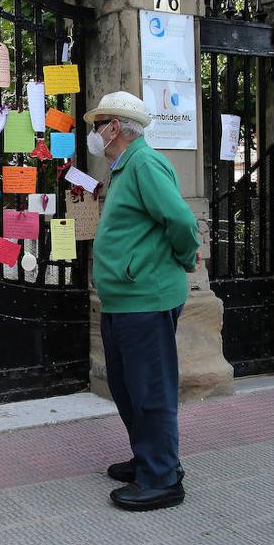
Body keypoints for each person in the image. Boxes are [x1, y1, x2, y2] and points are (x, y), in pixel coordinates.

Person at [84, 91, 201, 512]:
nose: (94, 133)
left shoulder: (145, 163)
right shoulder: (123, 168)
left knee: (150, 390)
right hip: (123, 300)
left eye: (98, 124)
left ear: (115, 127)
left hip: (146, 298)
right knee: (126, 386)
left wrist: (187, 257)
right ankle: (150, 457)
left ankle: (164, 478)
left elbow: (182, 221)